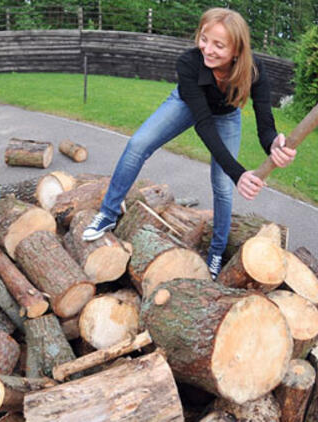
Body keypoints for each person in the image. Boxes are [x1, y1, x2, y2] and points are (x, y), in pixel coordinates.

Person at [82, 8, 296, 279]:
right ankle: (109, 213)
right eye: (204, 39)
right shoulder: (189, 63)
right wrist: (239, 172)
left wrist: (273, 146)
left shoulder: (254, 71)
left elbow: (266, 125)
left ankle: (216, 252)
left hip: (227, 115)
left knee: (222, 187)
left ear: (237, 50)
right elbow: (203, 125)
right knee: (138, 144)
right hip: (187, 105)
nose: (207, 49)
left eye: (219, 45)